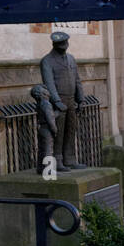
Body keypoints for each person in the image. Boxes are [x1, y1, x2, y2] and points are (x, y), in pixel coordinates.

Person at [38, 31, 85, 170]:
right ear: (54, 44)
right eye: (61, 44)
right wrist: (56, 101)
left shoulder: (71, 59)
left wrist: (80, 99)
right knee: (58, 132)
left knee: (71, 130)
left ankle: (70, 159)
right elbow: (49, 83)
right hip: (59, 102)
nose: (64, 46)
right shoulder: (47, 61)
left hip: (71, 100)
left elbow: (77, 80)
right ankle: (58, 160)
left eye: (65, 43)